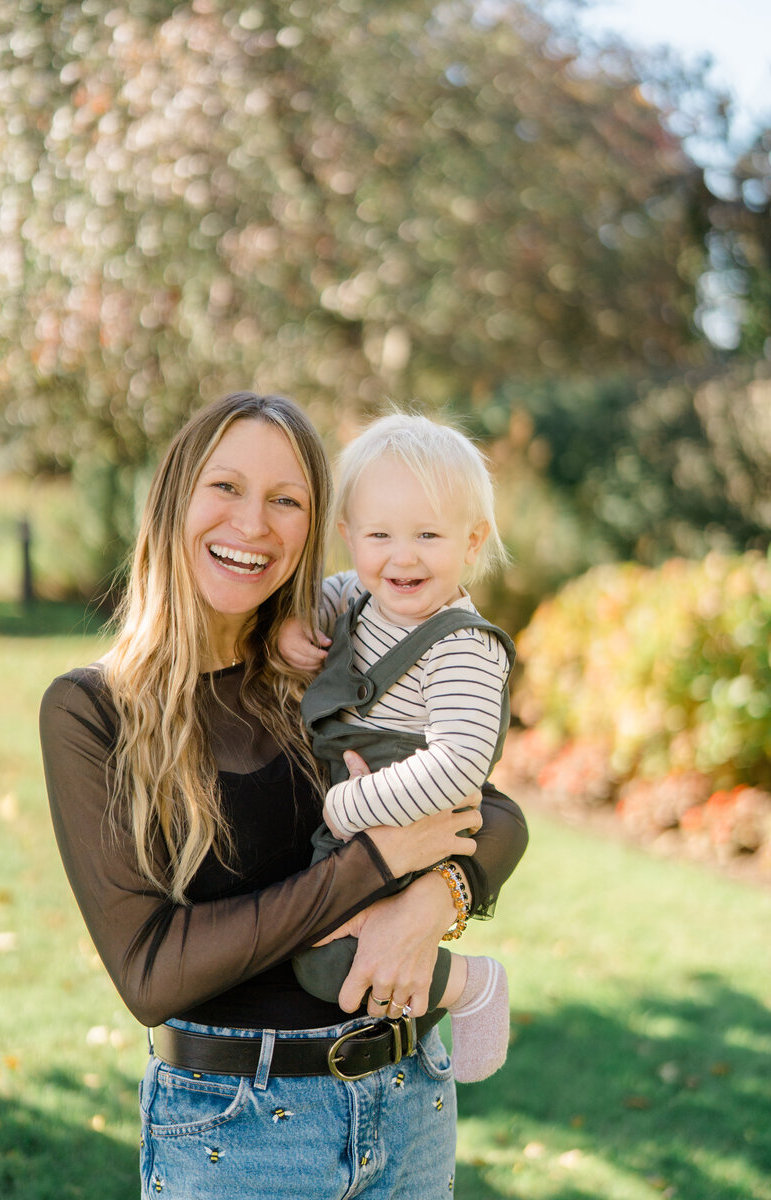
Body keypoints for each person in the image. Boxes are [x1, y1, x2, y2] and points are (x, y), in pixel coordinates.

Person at [40, 392, 528, 1200]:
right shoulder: (91, 711)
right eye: (225, 487)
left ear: (314, 525)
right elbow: (152, 973)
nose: (253, 525)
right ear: (173, 500)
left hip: (407, 1104)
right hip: (236, 1136)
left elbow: (495, 815)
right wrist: (371, 866)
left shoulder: (316, 665)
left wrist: (428, 901)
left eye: (286, 500)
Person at [281, 413, 515, 1084]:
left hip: (403, 818)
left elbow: (461, 765)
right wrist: (297, 626)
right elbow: (321, 598)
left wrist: (352, 804)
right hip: (361, 820)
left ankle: (469, 984)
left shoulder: (462, 646)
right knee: (314, 934)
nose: (402, 557)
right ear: (350, 536)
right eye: (379, 535)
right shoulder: (358, 595)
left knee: (327, 961)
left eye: (428, 536)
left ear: (471, 543)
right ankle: (403, 1023)